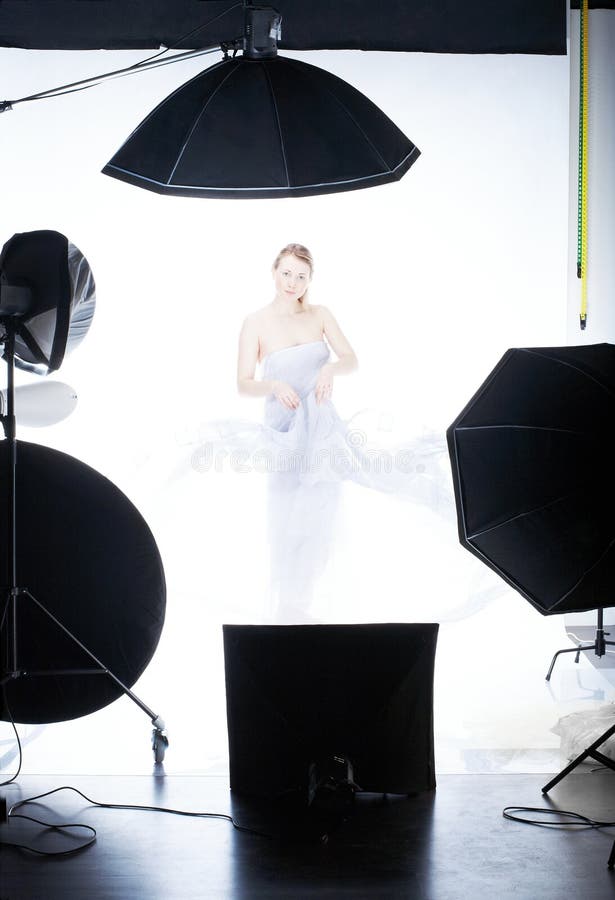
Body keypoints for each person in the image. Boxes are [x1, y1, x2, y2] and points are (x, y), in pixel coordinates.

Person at [236, 243, 359, 622]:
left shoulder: (320, 314)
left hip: (321, 431)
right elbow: (243, 383)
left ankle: (305, 611)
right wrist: (273, 385)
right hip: (283, 433)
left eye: (301, 276)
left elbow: (351, 359)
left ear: (310, 280)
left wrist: (329, 370)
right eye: (286, 273)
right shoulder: (255, 322)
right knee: (287, 523)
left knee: (319, 522)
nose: (293, 282)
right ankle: (284, 614)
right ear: (274, 272)